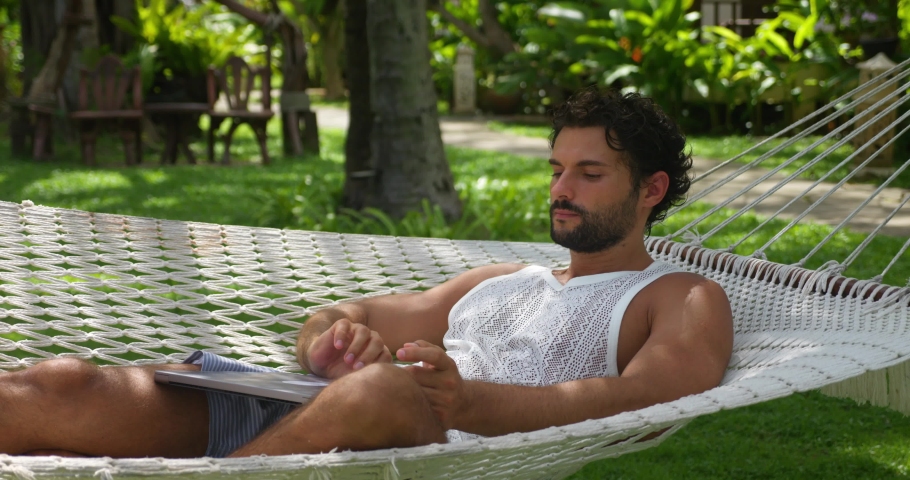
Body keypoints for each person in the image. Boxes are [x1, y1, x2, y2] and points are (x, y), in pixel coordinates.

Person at [0, 88, 732, 458]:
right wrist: (328, 343)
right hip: (314, 414)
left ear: (651, 189)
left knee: (383, 388)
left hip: (433, 448)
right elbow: (343, 314)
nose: (561, 190)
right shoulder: (506, 278)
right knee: (64, 384)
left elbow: (643, 400)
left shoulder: (680, 296)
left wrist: (463, 400)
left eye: (589, 174)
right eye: (556, 170)